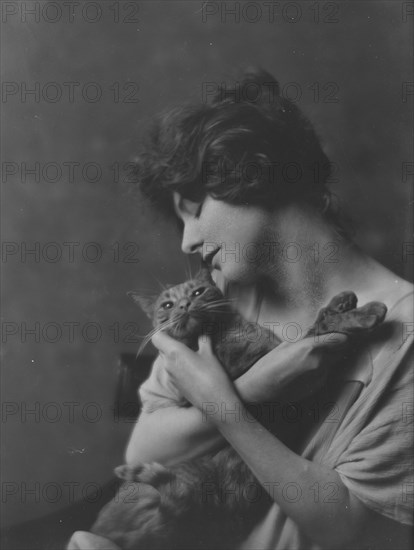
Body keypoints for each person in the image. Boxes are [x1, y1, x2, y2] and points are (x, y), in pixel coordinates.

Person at [125, 70, 413, 549]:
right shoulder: (223, 300)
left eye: (193, 208)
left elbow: (349, 527)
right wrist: (252, 389)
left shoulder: (407, 333)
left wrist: (225, 408)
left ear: (251, 170)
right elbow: (143, 450)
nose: (187, 241)